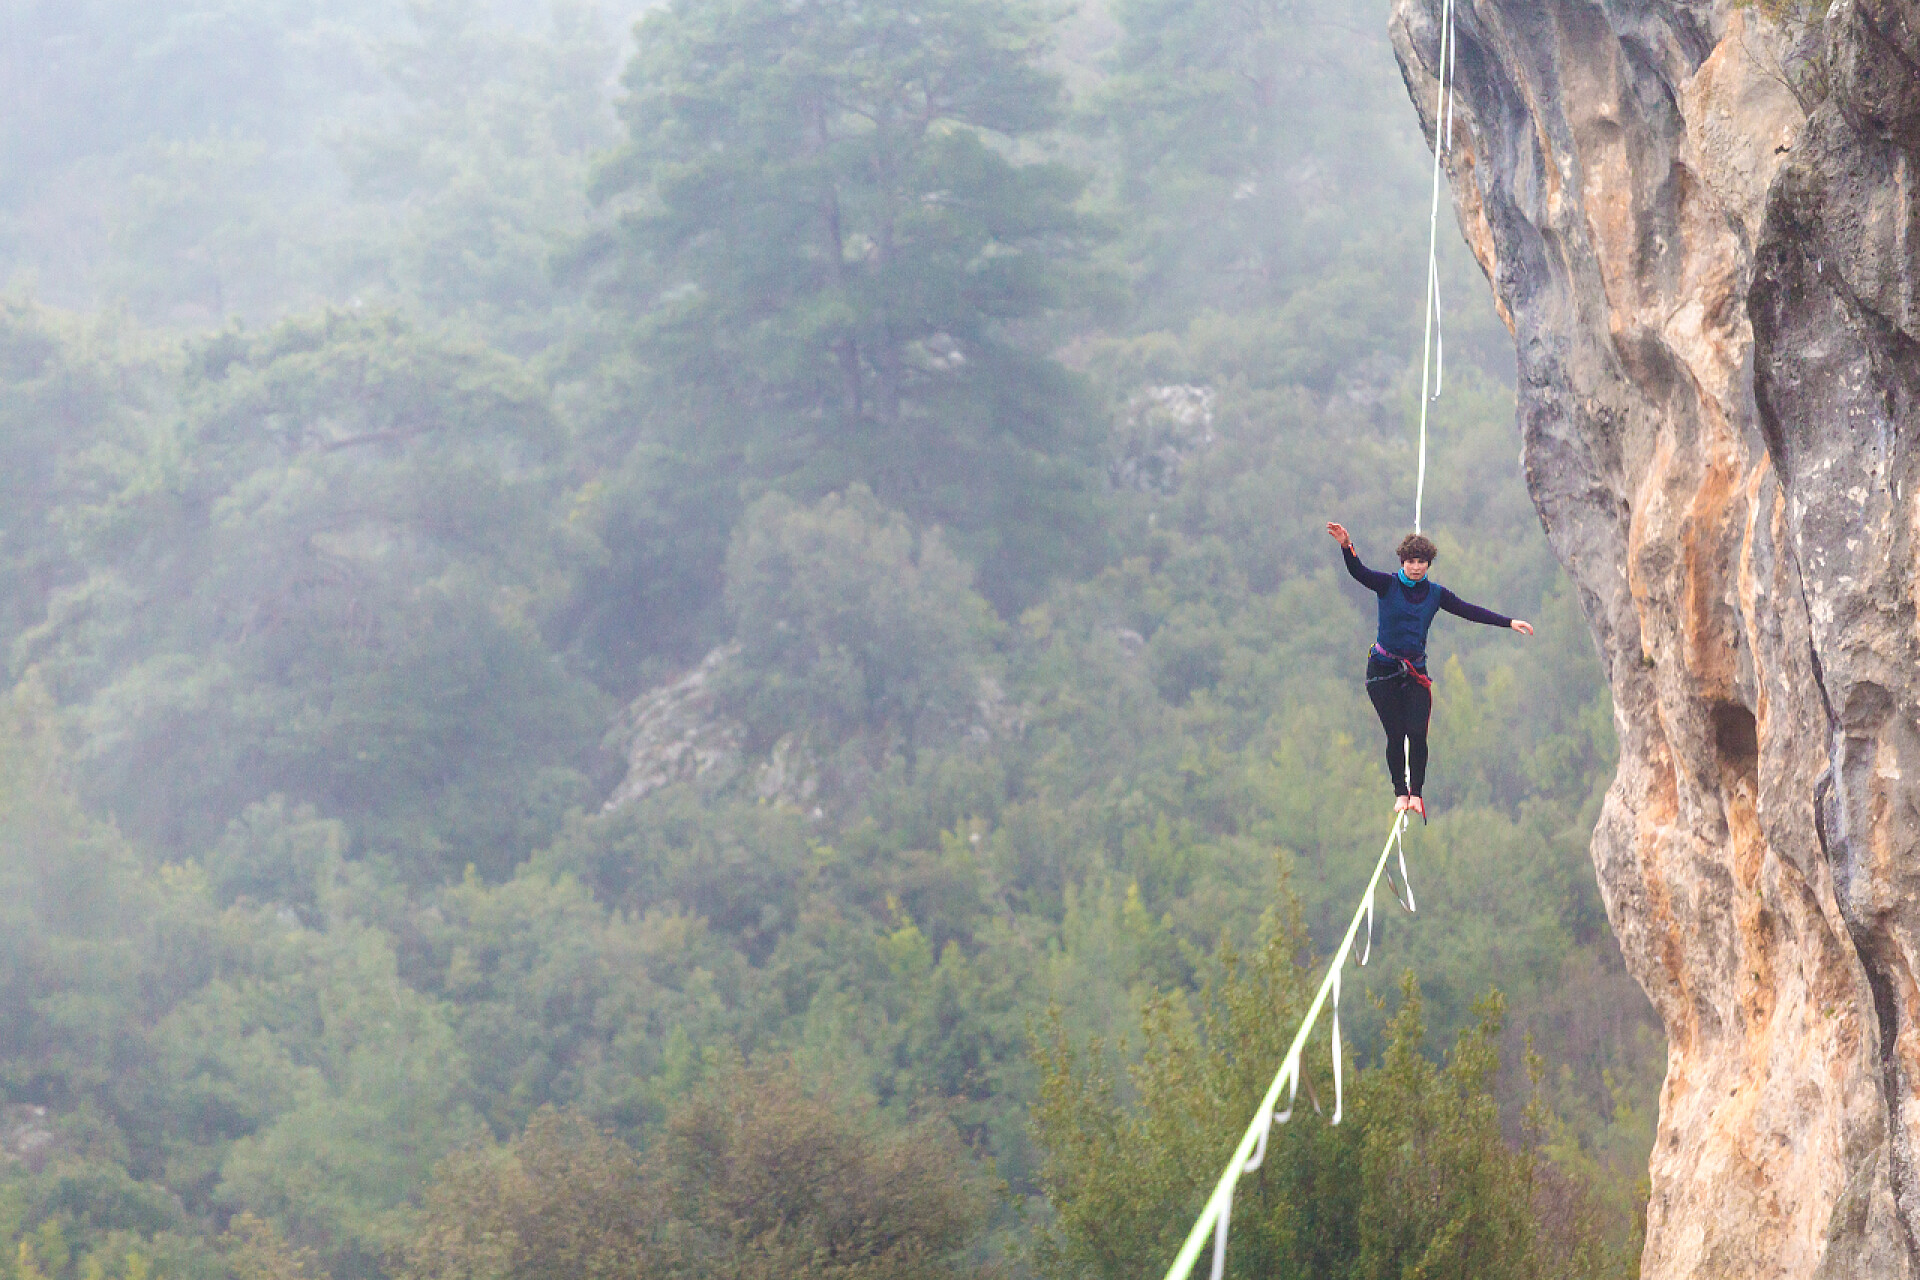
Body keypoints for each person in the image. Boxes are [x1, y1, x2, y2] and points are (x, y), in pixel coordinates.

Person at [1326, 522, 1533, 820]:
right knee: (1396, 734)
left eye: (1421, 562)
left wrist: (1509, 622)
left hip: (1414, 674)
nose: (1416, 567)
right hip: (1382, 671)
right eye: (1410, 562)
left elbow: (1468, 610)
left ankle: (1417, 794)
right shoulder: (1387, 585)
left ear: (1428, 564)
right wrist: (1347, 546)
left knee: (1417, 734)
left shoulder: (1435, 594)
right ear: (1402, 562)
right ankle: (1400, 792)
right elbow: (1359, 572)